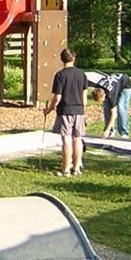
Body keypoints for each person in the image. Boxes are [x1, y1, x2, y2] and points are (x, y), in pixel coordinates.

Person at [43, 47, 88, 177]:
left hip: (65, 110)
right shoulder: (82, 74)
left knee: (66, 139)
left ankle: (66, 168)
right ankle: (77, 168)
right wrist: (83, 111)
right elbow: (84, 95)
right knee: (77, 138)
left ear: (61, 59)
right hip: (79, 110)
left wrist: (49, 110)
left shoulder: (60, 75)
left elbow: (57, 97)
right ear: (74, 58)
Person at [97, 73, 131, 138]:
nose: (101, 102)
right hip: (115, 86)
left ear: (104, 95)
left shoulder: (111, 94)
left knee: (121, 108)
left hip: (125, 85)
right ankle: (111, 131)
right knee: (106, 108)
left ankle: (124, 132)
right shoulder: (98, 86)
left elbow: (114, 114)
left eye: (101, 100)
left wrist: (107, 130)